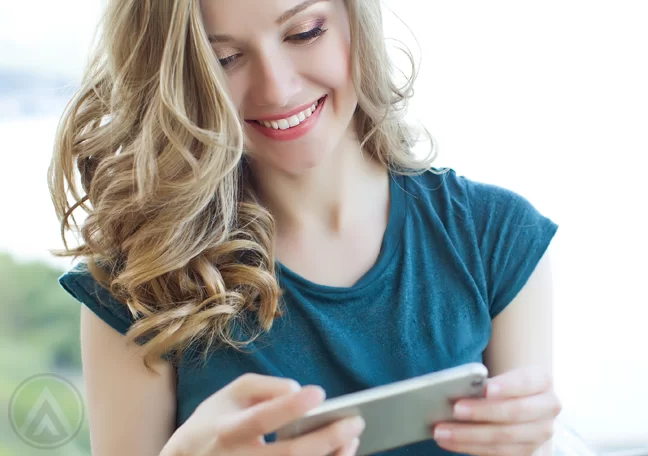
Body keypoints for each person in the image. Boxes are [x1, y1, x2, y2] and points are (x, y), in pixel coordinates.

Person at [47, 0, 562, 455]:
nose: (278, 88)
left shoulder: (496, 238)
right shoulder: (140, 280)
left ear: (355, 17)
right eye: (224, 59)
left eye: (305, 32)